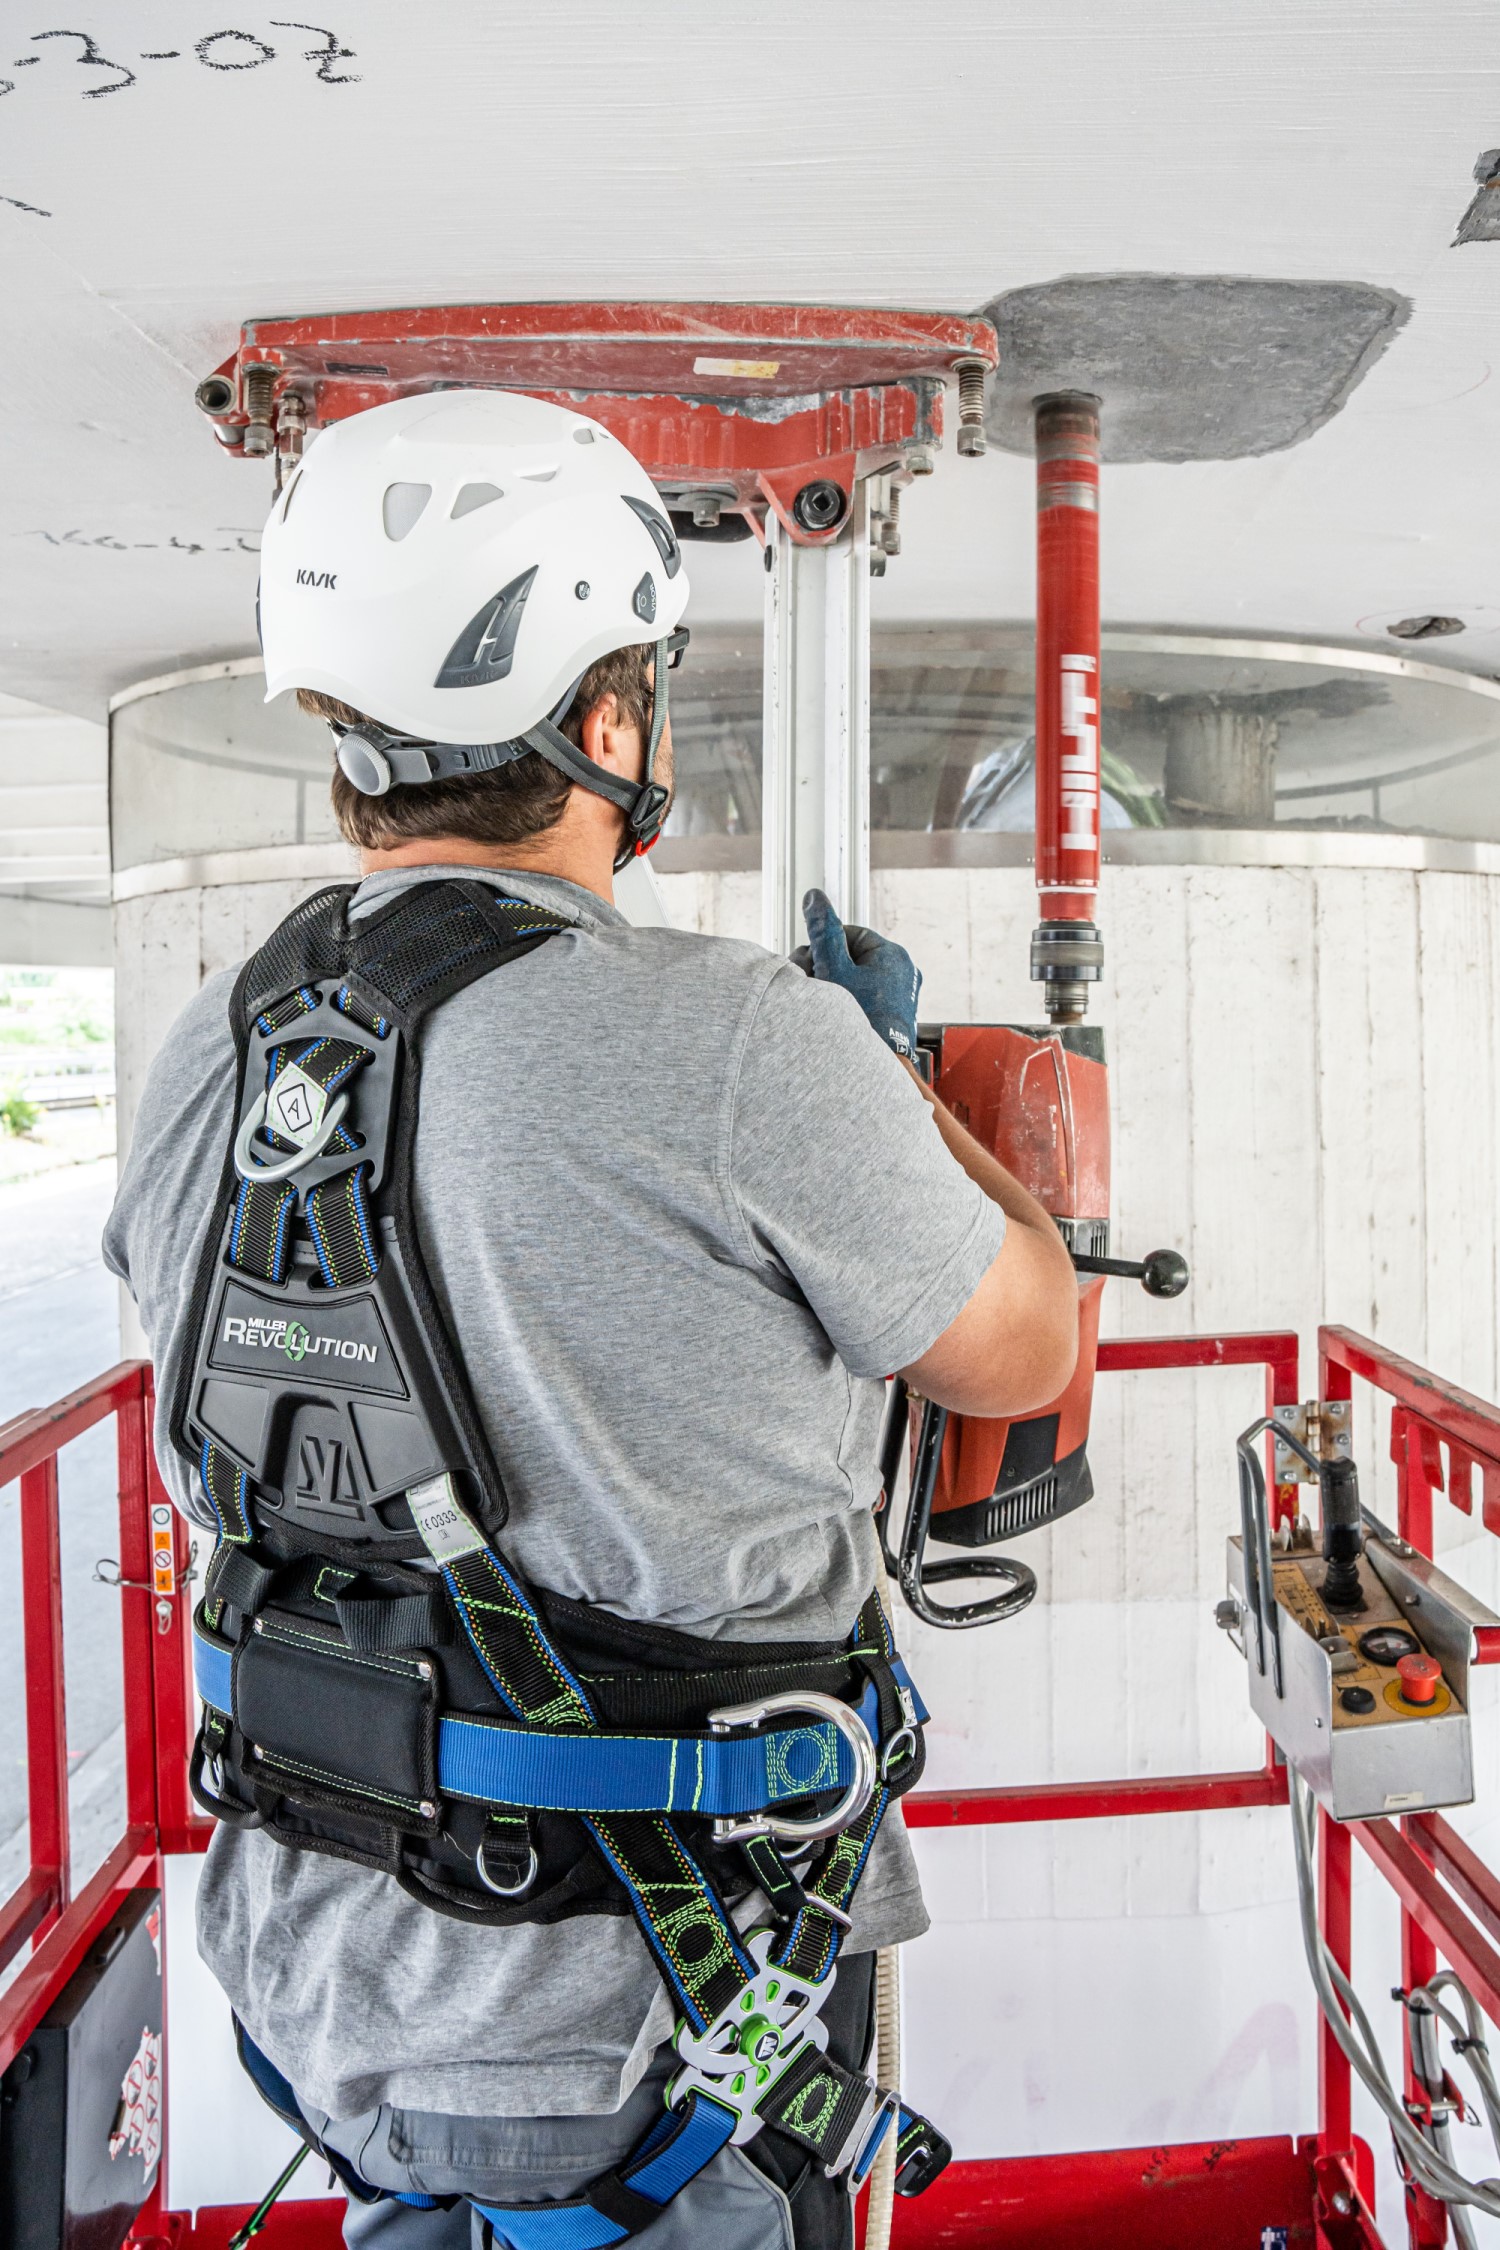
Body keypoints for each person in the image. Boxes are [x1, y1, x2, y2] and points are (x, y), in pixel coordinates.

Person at [104, 391, 1078, 2250]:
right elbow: (1020, 1348)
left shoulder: (213, 1048)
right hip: (668, 2040)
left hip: (331, 1997)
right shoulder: (744, 1040)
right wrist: (905, 1094)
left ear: (349, 743)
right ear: (607, 724)